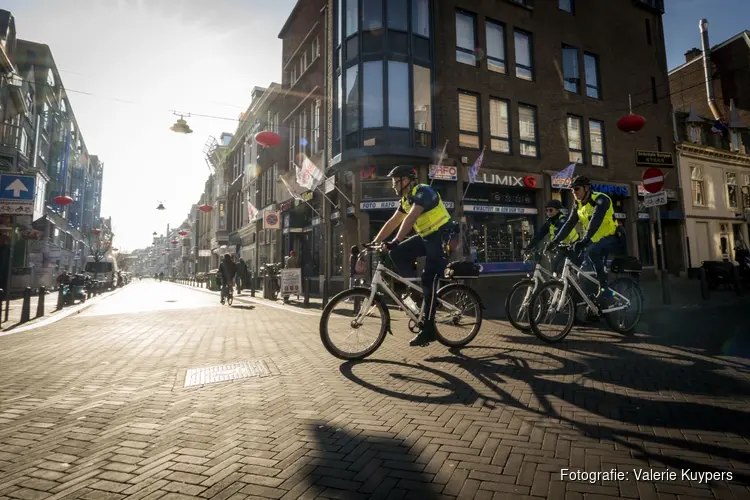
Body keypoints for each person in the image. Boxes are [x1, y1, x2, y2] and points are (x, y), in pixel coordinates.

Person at [372, 165, 453, 346]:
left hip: (441, 236)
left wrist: (396, 240)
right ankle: (414, 290)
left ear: (406, 180)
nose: (393, 186)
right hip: (426, 237)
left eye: (395, 181)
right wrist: (373, 243)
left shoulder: (423, 192)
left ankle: (429, 330)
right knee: (397, 252)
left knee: (428, 279)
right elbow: (393, 221)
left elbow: (411, 219)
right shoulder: (406, 200)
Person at [546, 175, 621, 309]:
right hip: (593, 241)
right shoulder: (578, 204)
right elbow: (569, 223)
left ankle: (604, 291)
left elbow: (595, 221)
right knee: (583, 274)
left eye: (577, 189)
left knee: (593, 252)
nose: (574, 192)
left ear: (586, 188)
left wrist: (584, 240)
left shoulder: (600, 199)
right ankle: (594, 306)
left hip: (612, 237)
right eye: (572, 190)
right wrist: (555, 241)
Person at [525, 199, 580, 275]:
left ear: (557, 210)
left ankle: (572, 285)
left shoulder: (562, 220)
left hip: (573, 247)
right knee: (554, 269)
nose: (548, 212)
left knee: (562, 268)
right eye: (546, 210)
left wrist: (551, 244)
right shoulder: (550, 221)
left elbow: (560, 233)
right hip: (562, 247)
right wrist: (529, 247)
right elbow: (540, 235)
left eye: (550, 210)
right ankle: (559, 285)